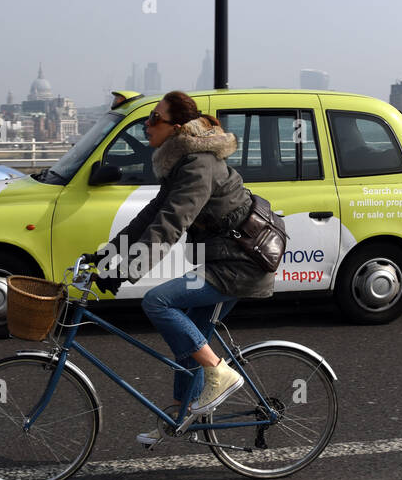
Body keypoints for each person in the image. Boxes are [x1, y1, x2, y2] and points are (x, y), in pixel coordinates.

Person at [83, 90, 274, 448]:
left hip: (239, 264)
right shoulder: (181, 162)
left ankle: (219, 373)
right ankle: (178, 414)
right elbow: (150, 214)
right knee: (188, 342)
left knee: (158, 301)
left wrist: (125, 271)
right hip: (221, 260)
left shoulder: (197, 165)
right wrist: (107, 254)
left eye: (154, 117)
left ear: (176, 127)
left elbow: (171, 223)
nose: (146, 124)